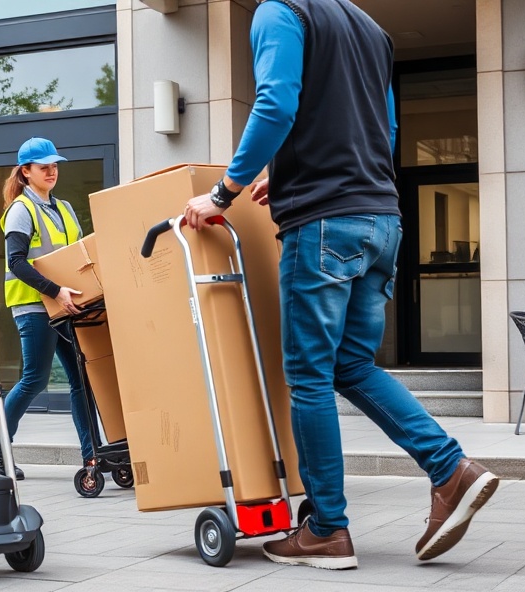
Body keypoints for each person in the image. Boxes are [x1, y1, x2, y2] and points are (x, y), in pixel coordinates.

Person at [182, 0, 497, 570]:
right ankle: (450, 469)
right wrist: (291, 176)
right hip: (381, 219)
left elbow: (276, 103)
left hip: (324, 224)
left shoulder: (279, 12)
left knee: (308, 375)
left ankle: (326, 529)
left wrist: (223, 193)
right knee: (352, 365)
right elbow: (386, 125)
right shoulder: (370, 28)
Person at [0, 137, 95, 481]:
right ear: (25, 172)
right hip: (33, 305)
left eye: (54, 165)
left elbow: (77, 256)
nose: (51, 171)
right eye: (43, 166)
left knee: (81, 382)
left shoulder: (66, 209)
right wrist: (55, 291)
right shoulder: (20, 209)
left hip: (66, 305)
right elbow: (16, 262)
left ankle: (92, 458)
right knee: (35, 379)